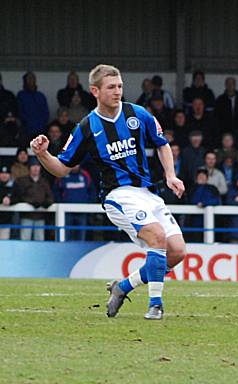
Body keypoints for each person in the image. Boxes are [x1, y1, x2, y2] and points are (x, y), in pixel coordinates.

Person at [30, 64, 186, 320]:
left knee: (177, 251)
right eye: (111, 87)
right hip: (118, 196)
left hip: (147, 193)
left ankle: (122, 286)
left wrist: (170, 175)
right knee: (157, 236)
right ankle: (155, 306)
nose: (117, 91)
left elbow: (162, 144)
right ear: (95, 91)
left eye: (120, 86)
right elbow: (61, 168)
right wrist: (43, 154)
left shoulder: (138, 114)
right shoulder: (86, 127)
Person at [12, 158, 54, 241]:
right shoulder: (22, 181)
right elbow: (18, 196)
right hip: (26, 216)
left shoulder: (44, 181)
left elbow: (50, 198)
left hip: (40, 217)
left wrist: (44, 203)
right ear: (29, 168)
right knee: (25, 240)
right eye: (33, 166)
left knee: (39, 241)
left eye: (38, 166)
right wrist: (31, 202)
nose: (35, 168)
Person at [53, 165, 96, 241]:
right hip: (66, 212)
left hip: (82, 211)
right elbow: (56, 191)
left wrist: (88, 203)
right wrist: (62, 203)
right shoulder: (62, 175)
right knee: (65, 235)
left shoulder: (85, 175)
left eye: (77, 164)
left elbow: (92, 191)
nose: (75, 166)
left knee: (81, 236)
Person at [17, 71, 49, 145]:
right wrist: (27, 123)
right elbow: (20, 112)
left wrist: (41, 125)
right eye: (29, 79)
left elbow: (46, 113)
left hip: (41, 130)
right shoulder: (21, 95)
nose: (31, 81)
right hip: (26, 130)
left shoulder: (41, 96)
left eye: (33, 79)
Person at [0, 164, 14, 240]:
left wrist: (10, 200)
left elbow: (18, 197)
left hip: (6, 221)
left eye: (6, 173)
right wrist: (2, 199)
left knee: (4, 245)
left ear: (10, 175)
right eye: (2, 173)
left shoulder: (14, 186)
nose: (4, 175)